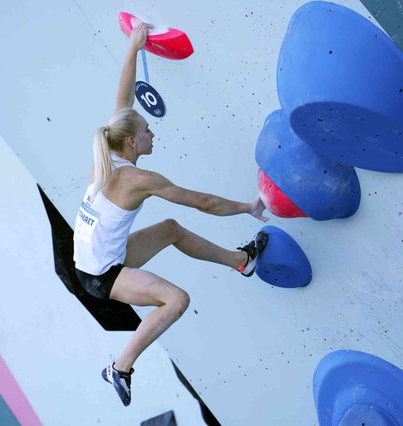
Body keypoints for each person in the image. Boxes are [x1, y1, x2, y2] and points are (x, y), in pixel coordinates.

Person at [73, 23, 269, 406]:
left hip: (93, 256)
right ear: (131, 142)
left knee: (170, 230)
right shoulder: (138, 178)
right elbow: (203, 203)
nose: (152, 135)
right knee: (177, 300)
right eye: (147, 131)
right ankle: (121, 367)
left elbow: (123, 96)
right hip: (101, 274)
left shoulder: (108, 152)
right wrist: (249, 206)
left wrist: (134, 46)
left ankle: (242, 262)